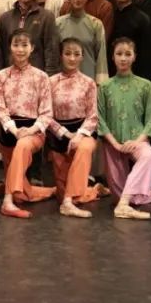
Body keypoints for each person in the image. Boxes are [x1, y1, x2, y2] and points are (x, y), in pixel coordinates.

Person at [97, 38, 151, 220]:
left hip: (138, 140)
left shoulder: (145, 85)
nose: (123, 58)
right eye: (119, 54)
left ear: (135, 57)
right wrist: (115, 144)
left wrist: (137, 142)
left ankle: (122, 206)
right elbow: (100, 119)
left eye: (128, 54)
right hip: (113, 143)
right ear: (112, 57)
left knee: (149, 156)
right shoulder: (104, 86)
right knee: (129, 197)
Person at [0, 30, 57, 219]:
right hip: (9, 132)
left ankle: (7, 201)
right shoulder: (0, 76)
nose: (20, 49)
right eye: (16, 45)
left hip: (33, 132)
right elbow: (0, 109)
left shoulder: (41, 77)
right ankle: (51, 191)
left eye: (24, 45)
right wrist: (15, 130)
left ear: (32, 48)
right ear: (10, 47)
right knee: (21, 194)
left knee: (22, 145)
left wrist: (29, 131)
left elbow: (47, 113)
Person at [47, 38, 104, 218]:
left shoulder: (88, 83)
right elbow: (45, 114)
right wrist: (65, 134)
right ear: (61, 55)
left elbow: (93, 115)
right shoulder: (50, 82)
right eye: (68, 54)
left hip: (83, 133)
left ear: (82, 57)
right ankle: (94, 190)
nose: (72, 58)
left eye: (76, 54)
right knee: (66, 194)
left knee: (84, 148)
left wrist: (78, 135)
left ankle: (67, 204)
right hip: (58, 135)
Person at [0, 0, 59, 74]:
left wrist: (49, 77)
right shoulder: (5, 19)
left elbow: (51, 51)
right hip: (9, 76)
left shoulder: (47, 17)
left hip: (37, 76)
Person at [55, 0, 108, 82]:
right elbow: (55, 54)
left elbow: (101, 56)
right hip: (63, 80)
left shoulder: (96, 24)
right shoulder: (58, 23)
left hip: (89, 78)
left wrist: (101, 82)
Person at [109, 0, 150, 75]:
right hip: (110, 72)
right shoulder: (109, 16)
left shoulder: (142, 19)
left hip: (135, 73)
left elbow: (146, 54)